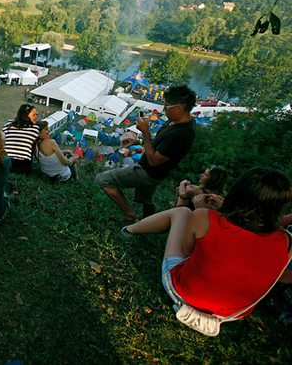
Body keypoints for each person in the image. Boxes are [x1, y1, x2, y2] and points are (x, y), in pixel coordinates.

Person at [122, 167, 292, 322]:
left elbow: (188, 251)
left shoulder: (204, 216)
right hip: (231, 314)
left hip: (185, 294)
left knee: (182, 212)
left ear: (239, 191)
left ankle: (129, 230)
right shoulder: (286, 240)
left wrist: (202, 209)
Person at [95, 85, 197, 222]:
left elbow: (154, 161)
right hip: (157, 173)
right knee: (146, 200)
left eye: (167, 107)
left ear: (178, 108)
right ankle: (148, 226)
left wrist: (145, 132)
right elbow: (162, 143)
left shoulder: (181, 134)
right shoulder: (176, 122)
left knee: (103, 179)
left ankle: (129, 214)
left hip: (148, 172)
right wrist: (139, 141)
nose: (164, 110)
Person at [3, 104, 39, 174]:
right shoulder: (35, 128)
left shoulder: (9, 124)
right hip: (23, 165)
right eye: (34, 115)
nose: (36, 117)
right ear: (26, 117)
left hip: (6, 162)